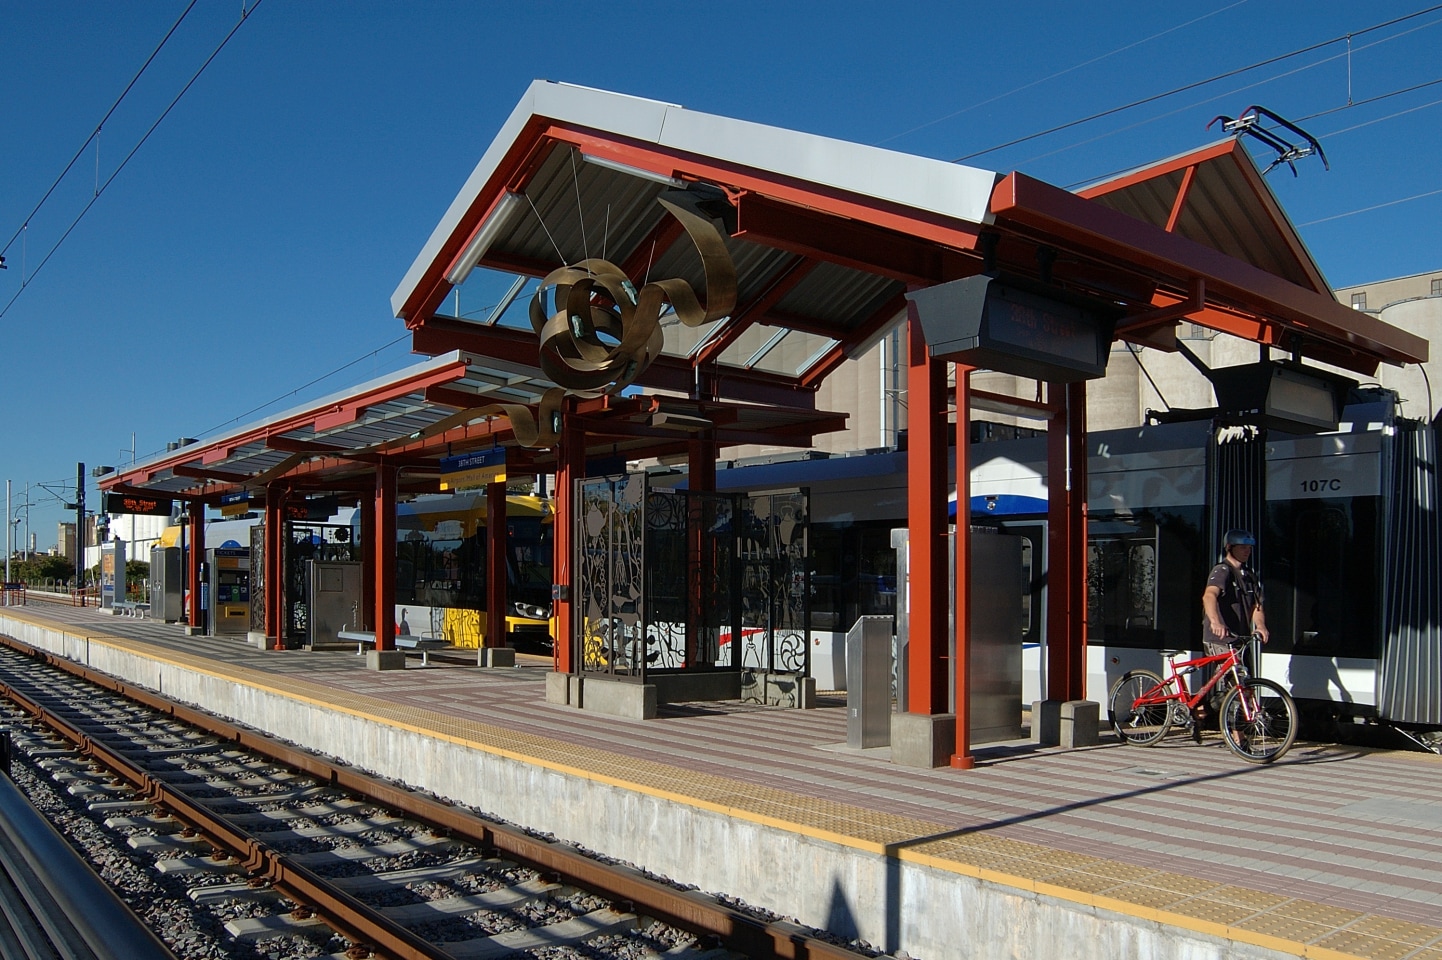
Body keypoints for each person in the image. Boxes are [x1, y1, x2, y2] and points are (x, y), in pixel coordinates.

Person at [1194, 528, 1269, 740]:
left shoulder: (1250, 577)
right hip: (1218, 637)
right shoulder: (1222, 571)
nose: (1247, 551)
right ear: (1230, 548)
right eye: (1243, 547)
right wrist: (1216, 622)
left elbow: (1257, 607)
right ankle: (1239, 737)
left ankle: (1202, 710)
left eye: (1249, 548)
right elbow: (1209, 596)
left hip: (1237, 638)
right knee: (1238, 683)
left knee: (1238, 684)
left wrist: (1260, 626)